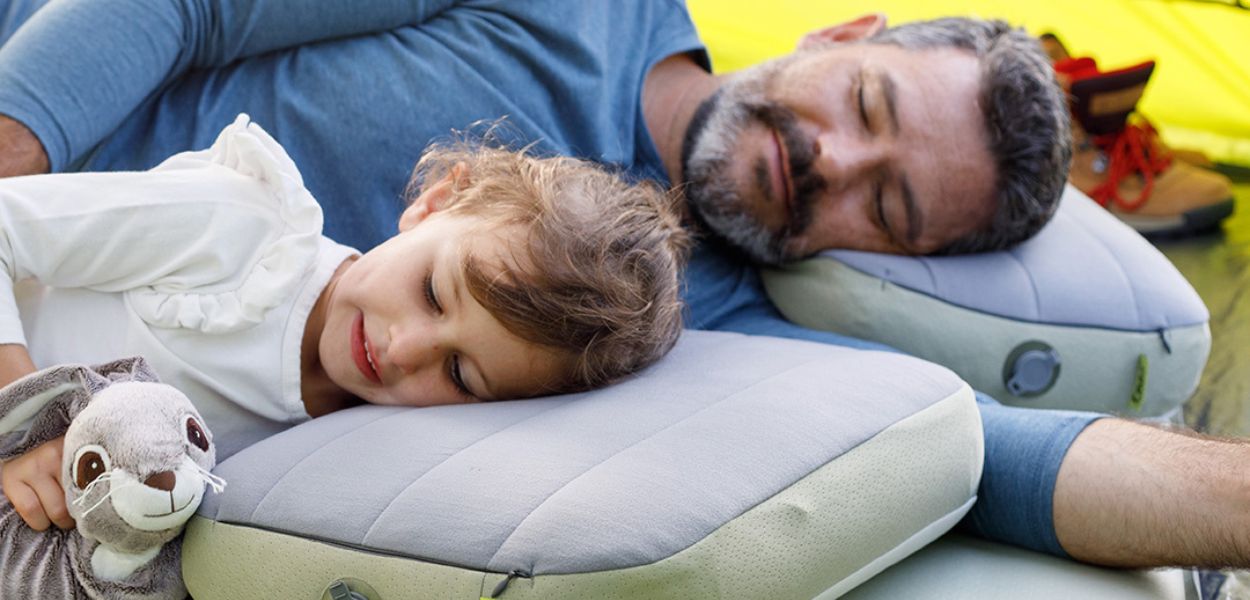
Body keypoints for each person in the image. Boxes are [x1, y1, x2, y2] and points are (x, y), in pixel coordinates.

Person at [0, 0, 1244, 570]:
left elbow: (982, 456)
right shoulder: (583, 12)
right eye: (863, 109)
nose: (831, 162)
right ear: (840, 36)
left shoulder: (703, 342)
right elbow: (186, 8)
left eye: (888, 208)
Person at [0, 115, 688, 532]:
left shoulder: (354, 448)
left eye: (459, 373)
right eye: (432, 293)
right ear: (437, 200)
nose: (403, 348)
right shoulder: (238, 230)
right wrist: (33, 422)